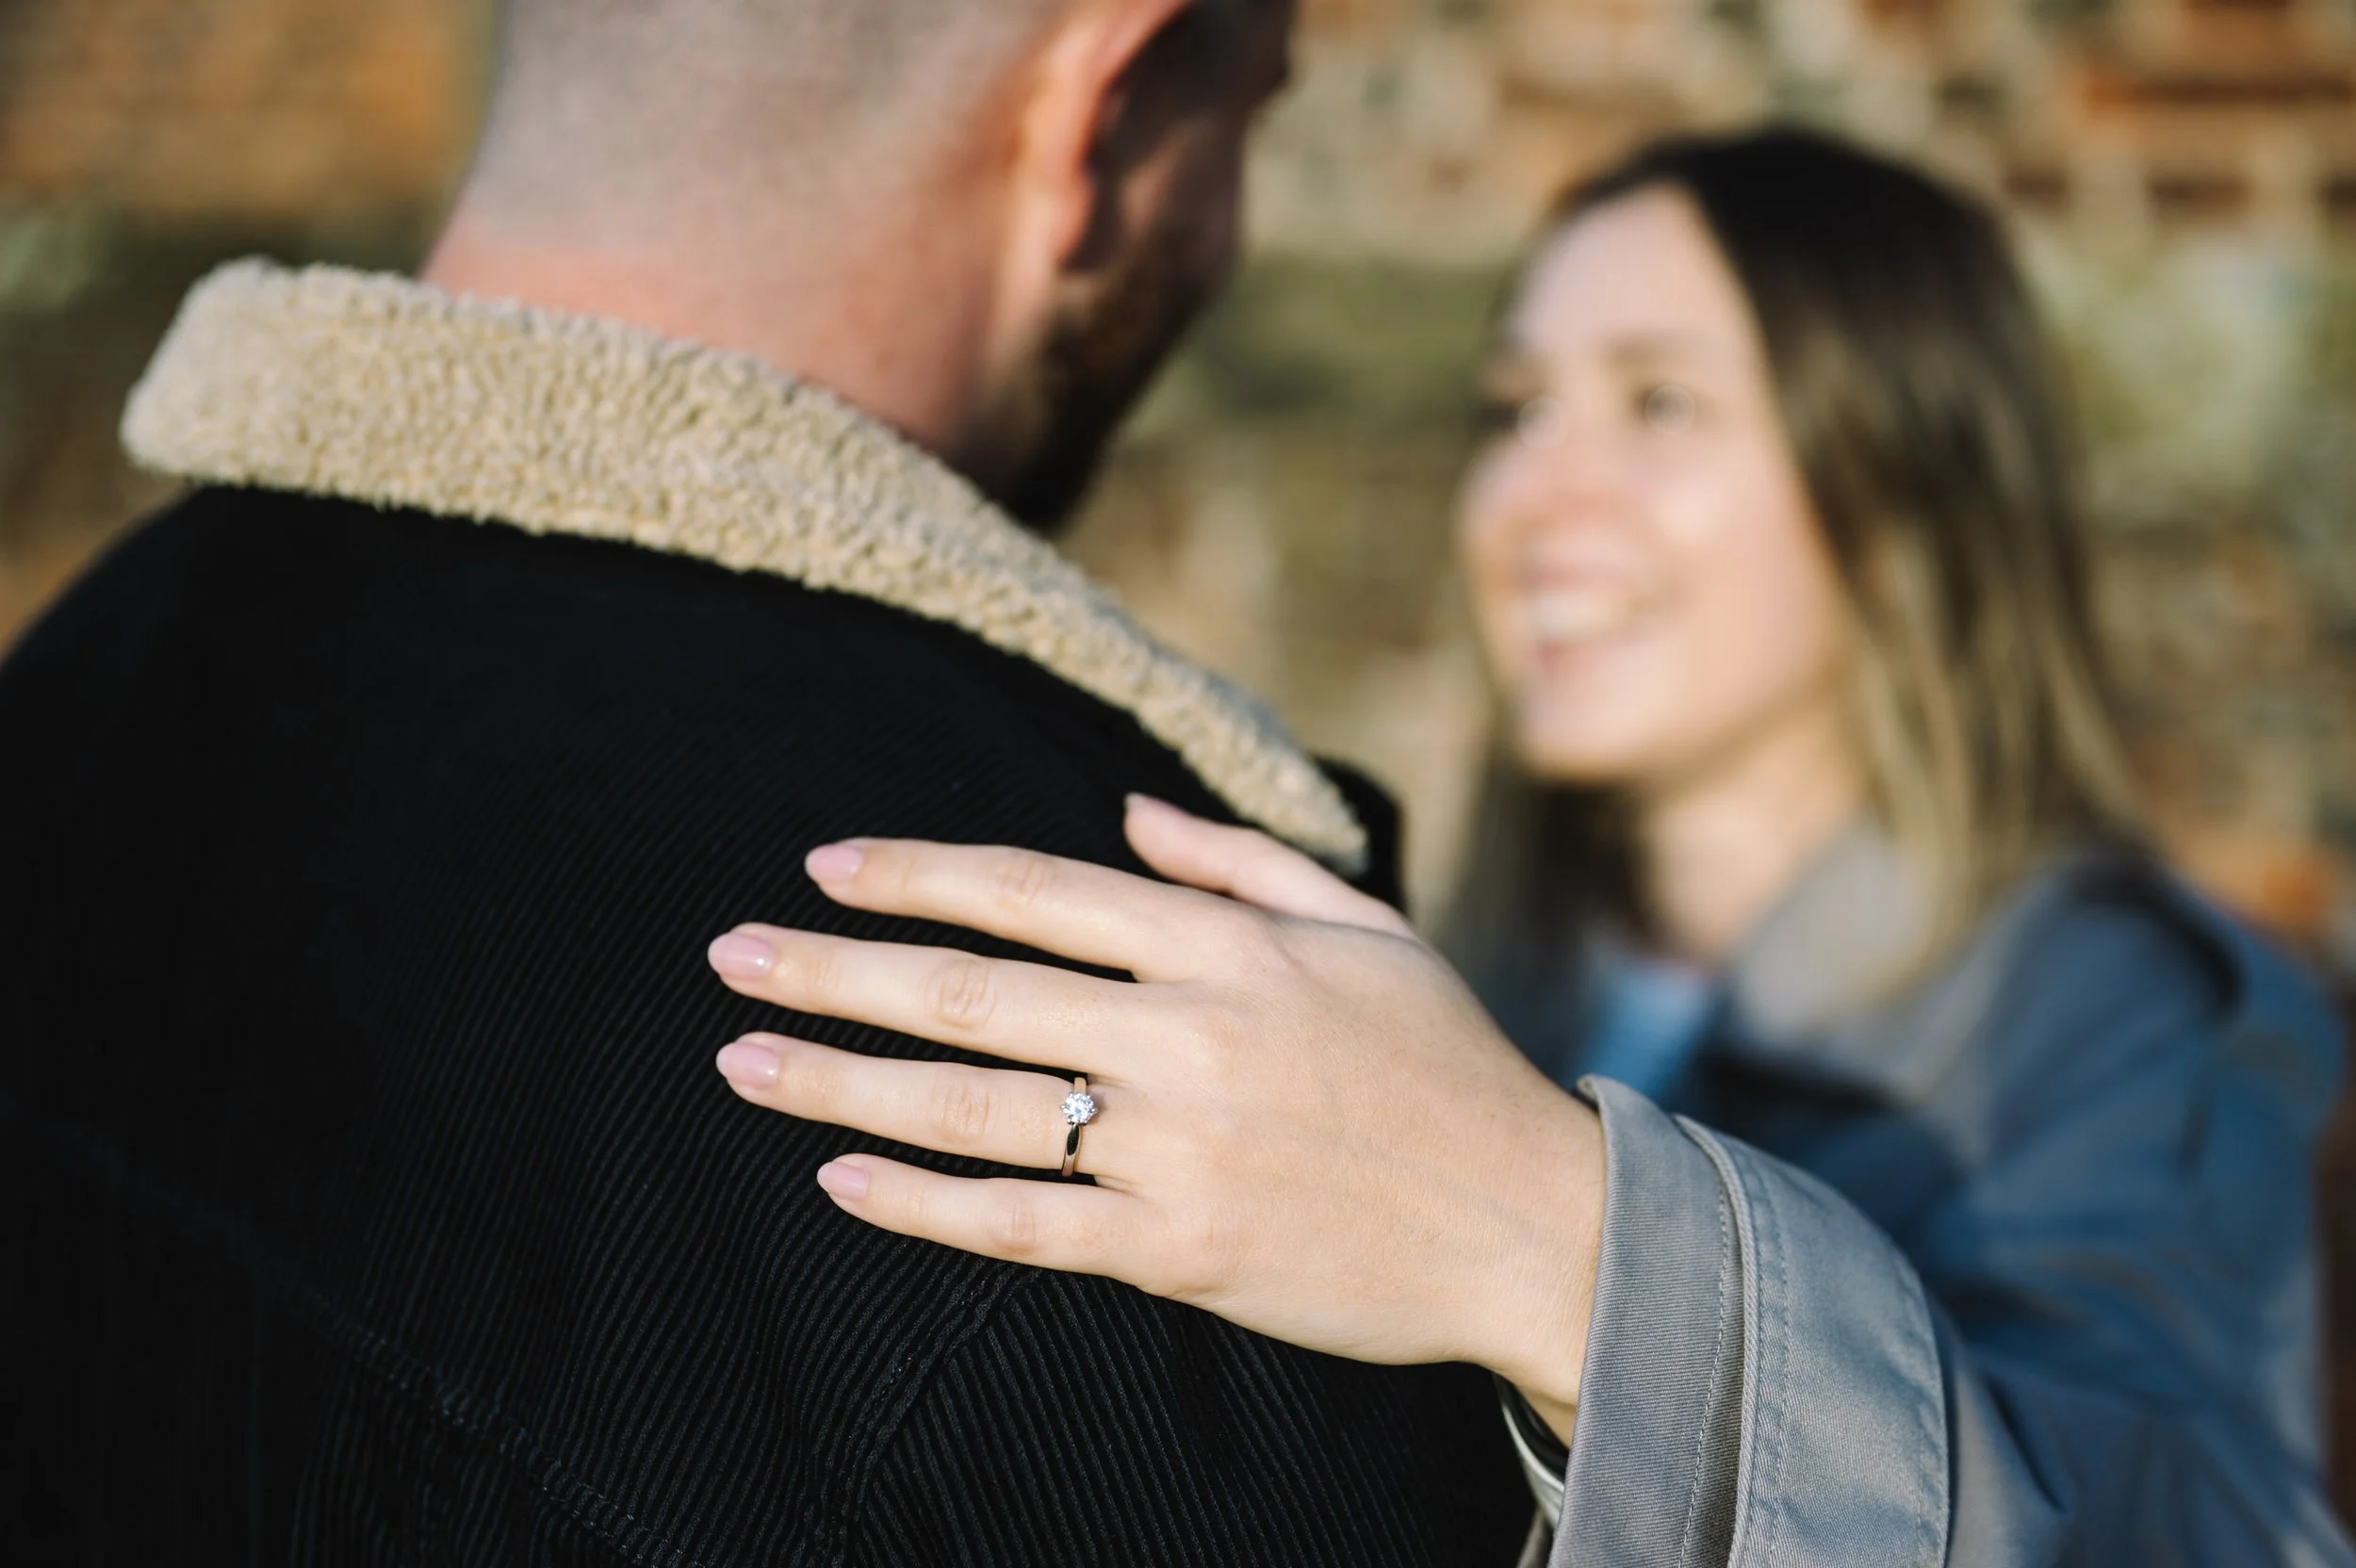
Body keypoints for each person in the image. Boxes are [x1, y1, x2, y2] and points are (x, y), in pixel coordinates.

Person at [0, 1, 1538, 1561]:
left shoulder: (78, 677)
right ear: (1104, 102)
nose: (1226, 232)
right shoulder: (1157, 1087)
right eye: (1245, 121)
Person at [696, 130, 2356, 1564]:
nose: (1536, 495)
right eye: (1515, 408)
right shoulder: (1456, 973)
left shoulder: (2130, 1008)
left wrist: (1563, 1241)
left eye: (1659, 402)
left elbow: (2200, 1529)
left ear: (1907, 481)